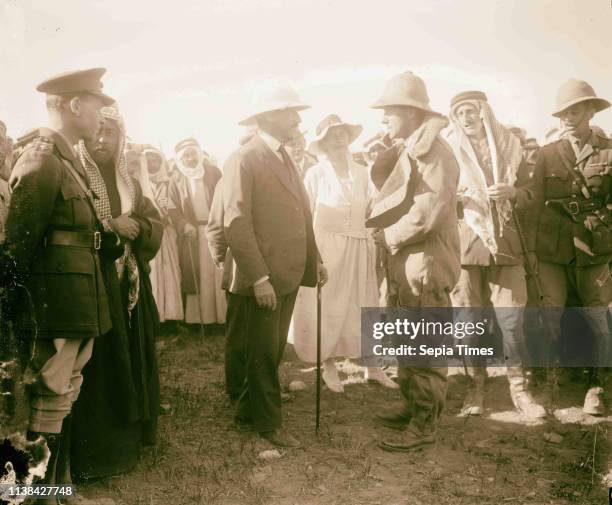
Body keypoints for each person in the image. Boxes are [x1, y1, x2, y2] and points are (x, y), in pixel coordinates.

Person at [2, 68, 115, 502]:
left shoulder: (66, 159)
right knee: (46, 402)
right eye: (98, 105)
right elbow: (16, 250)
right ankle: (35, 497)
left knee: (63, 399)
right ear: (74, 105)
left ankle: (55, 491)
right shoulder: (42, 159)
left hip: (75, 302)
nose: (103, 116)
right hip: (52, 309)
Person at [222, 80, 327, 448]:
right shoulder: (244, 158)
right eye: (291, 113)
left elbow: (302, 213)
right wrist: (260, 277)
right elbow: (235, 222)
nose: (298, 120)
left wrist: (316, 260)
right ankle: (266, 426)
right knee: (263, 352)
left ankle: (247, 411)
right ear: (269, 117)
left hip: (289, 273)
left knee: (271, 347)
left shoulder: (284, 156)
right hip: (265, 277)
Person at [68, 105, 162, 482]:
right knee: (102, 368)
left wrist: (137, 224)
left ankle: (133, 440)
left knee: (134, 358)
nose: (103, 139)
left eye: (111, 133)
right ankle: (101, 456)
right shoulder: (74, 176)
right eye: (98, 131)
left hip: (130, 285)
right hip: (94, 288)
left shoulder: (131, 184)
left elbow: (153, 220)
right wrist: (111, 227)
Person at [367, 71, 460, 452]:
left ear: (411, 112)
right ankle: (414, 407)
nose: (383, 118)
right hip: (409, 261)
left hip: (426, 263)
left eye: (390, 111)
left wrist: (386, 236)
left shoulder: (436, 152)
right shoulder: (412, 148)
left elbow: (428, 214)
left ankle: (425, 424)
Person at [445, 91, 546, 418]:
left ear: (484, 113)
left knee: (513, 319)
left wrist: (512, 192)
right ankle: (476, 387)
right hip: (467, 247)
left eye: (471, 111)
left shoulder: (509, 148)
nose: (466, 118)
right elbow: (437, 198)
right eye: (459, 113)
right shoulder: (449, 151)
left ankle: (520, 390)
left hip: (506, 245)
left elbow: (533, 194)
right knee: (470, 321)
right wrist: (457, 199)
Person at [289, 114, 398, 392]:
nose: (339, 138)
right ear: (322, 142)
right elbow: (304, 214)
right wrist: (313, 255)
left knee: (365, 305)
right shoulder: (315, 174)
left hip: (360, 246)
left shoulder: (362, 171)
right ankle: (328, 365)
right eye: (332, 134)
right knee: (329, 307)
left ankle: (372, 367)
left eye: (343, 133)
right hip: (328, 248)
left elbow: (376, 207)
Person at [532, 79, 612, 415]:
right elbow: (535, 202)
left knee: (596, 315)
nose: (567, 117)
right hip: (553, 247)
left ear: (591, 111)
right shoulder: (547, 154)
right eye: (563, 111)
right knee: (550, 311)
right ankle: (551, 380)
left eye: (575, 110)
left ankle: (597, 384)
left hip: (596, 248)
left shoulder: (609, 151)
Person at [173, 137, 226, 327]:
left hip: (215, 230)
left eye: (193, 154)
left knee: (218, 273)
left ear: (199, 153)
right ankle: (199, 321)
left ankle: (222, 318)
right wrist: (184, 224)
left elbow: (225, 199)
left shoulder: (213, 173)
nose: (190, 159)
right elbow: (173, 208)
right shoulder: (177, 178)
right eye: (185, 156)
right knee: (196, 274)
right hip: (193, 234)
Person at [143, 145, 185, 323]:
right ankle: (155, 316)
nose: (152, 164)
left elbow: (177, 205)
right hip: (149, 233)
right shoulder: (139, 182)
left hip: (167, 233)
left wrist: (170, 216)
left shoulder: (170, 182)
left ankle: (171, 314)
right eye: (148, 161)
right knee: (153, 271)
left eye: (155, 160)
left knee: (170, 270)